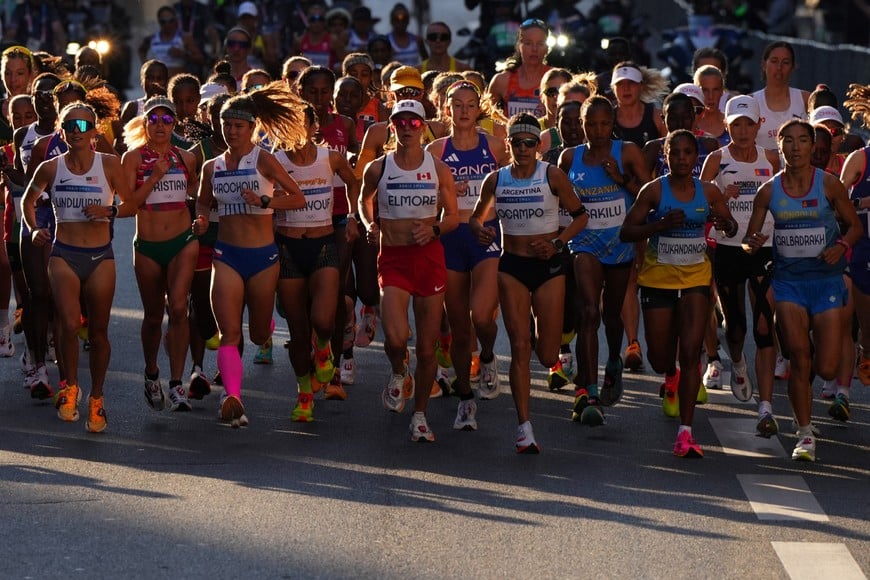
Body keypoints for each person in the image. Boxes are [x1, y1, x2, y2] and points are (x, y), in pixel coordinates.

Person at [742, 120, 861, 462]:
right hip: (789, 283)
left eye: (802, 141)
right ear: (778, 147)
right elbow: (749, 244)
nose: (795, 148)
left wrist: (840, 245)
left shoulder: (829, 185)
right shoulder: (768, 191)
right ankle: (805, 434)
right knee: (797, 356)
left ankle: (815, 348)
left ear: (811, 147)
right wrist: (753, 244)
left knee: (825, 368)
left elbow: (854, 227)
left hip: (825, 282)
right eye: (788, 141)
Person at [192, 83, 307, 427]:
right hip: (226, 255)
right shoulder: (211, 166)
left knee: (256, 334)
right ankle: (233, 398)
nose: (231, 131)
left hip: (262, 258)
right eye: (227, 125)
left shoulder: (264, 160)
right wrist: (199, 219)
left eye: (238, 126)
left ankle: (266, 327)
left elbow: (297, 198)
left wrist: (266, 202)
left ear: (252, 127)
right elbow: (202, 201)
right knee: (229, 332)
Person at [471, 112, 587, 452]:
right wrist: (480, 231)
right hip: (512, 268)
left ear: (538, 145)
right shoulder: (496, 179)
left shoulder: (551, 175)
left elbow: (581, 217)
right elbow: (476, 217)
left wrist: (557, 243)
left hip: (549, 267)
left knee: (547, 351)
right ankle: (524, 428)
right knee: (520, 347)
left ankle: (551, 338)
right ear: (508, 145)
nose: (523, 148)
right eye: (517, 143)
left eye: (530, 143)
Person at [21, 102, 138, 433]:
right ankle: (70, 386)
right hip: (64, 254)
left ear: (95, 132)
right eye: (70, 126)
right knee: (70, 322)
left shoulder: (110, 164)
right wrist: (33, 228)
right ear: (61, 131)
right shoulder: (50, 167)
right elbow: (29, 200)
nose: (77, 131)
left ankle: (97, 398)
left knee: (99, 332)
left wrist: (110, 212)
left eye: (84, 126)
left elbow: (130, 204)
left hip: (100, 256)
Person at [620, 129, 737, 458]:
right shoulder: (653, 191)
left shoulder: (709, 191)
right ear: (667, 156)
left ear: (694, 156)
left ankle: (686, 432)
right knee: (659, 357)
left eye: (688, 153)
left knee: (689, 354)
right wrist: (658, 225)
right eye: (676, 153)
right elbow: (627, 231)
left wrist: (724, 224)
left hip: (696, 280)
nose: (683, 159)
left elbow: (731, 227)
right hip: (657, 281)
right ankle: (669, 376)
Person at [358, 99, 458, 442]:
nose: (406, 127)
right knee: (397, 336)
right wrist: (371, 222)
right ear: (392, 127)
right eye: (400, 122)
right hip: (394, 258)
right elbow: (363, 199)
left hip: (429, 258)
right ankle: (399, 371)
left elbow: (454, 216)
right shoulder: (380, 167)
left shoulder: (439, 168)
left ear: (424, 126)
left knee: (428, 349)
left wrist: (435, 230)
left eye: (413, 123)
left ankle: (419, 416)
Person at [558, 95, 647, 423]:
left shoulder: (627, 152)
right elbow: (556, 196)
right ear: (581, 124)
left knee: (611, 316)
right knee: (589, 312)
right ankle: (589, 391)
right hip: (585, 244)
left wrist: (621, 179)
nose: (598, 130)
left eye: (604, 124)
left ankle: (613, 361)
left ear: (614, 124)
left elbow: (650, 195)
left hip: (620, 245)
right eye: (591, 124)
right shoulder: (570, 158)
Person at [426, 80, 509, 427]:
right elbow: (424, 200)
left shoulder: (494, 146)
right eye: (456, 105)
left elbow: (510, 189)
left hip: (485, 236)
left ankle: (488, 356)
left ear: (479, 109)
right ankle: (464, 397)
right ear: (447, 110)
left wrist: (498, 219)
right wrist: (446, 192)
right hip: (450, 238)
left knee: (482, 317)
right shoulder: (435, 151)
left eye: (470, 105)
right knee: (459, 327)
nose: (463, 111)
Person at [699, 95, 781, 435]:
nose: (743, 131)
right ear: (726, 126)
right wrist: (720, 210)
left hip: (765, 249)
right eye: (736, 125)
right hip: (730, 250)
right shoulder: (716, 160)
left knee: (765, 327)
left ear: (759, 125)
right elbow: (700, 204)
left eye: (749, 124)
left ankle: (766, 408)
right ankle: (736, 361)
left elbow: (785, 198)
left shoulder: (772, 159)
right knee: (736, 328)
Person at [274, 102, 359, 417]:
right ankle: (304, 395)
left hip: (323, 244)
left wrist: (351, 216)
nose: (296, 131)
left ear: (313, 128)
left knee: (324, 320)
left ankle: (323, 348)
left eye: (302, 124)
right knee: (297, 331)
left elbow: (353, 181)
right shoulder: (275, 161)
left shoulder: (330, 157)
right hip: (287, 247)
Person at [121, 96, 199, 413]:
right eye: (153, 119)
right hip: (149, 247)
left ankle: (177, 383)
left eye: (167, 120)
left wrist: (202, 216)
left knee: (179, 307)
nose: (160, 125)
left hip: (183, 241)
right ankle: (152, 373)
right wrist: (154, 177)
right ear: (145, 123)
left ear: (174, 125)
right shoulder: (132, 158)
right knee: (154, 316)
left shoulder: (186, 158)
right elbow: (127, 206)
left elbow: (196, 197)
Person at [486, 18, 551, 118]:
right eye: (528, 43)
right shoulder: (501, 80)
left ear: (547, 48)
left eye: (540, 44)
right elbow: (487, 119)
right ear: (519, 46)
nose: (534, 49)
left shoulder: (556, 79)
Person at [751, 41, 809, 151]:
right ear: (764, 65)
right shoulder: (751, 101)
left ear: (793, 67)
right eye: (774, 61)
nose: (779, 67)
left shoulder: (806, 99)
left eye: (786, 62)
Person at [138, 6, 204, 78]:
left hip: (176, 81)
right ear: (159, 22)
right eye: (163, 22)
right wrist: (146, 64)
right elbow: (141, 50)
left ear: (175, 20)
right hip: (157, 82)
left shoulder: (184, 38)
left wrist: (183, 54)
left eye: (171, 20)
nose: (167, 24)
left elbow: (200, 59)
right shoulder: (152, 38)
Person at [0, 46, 37, 146]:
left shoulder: (40, 109)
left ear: (30, 75)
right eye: (7, 73)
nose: (13, 80)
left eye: (20, 73)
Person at [693, 65, 729, 146]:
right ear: (696, 91)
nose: (710, 96)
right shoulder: (689, 126)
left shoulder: (732, 124)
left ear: (722, 91)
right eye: (705, 90)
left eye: (715, 90)